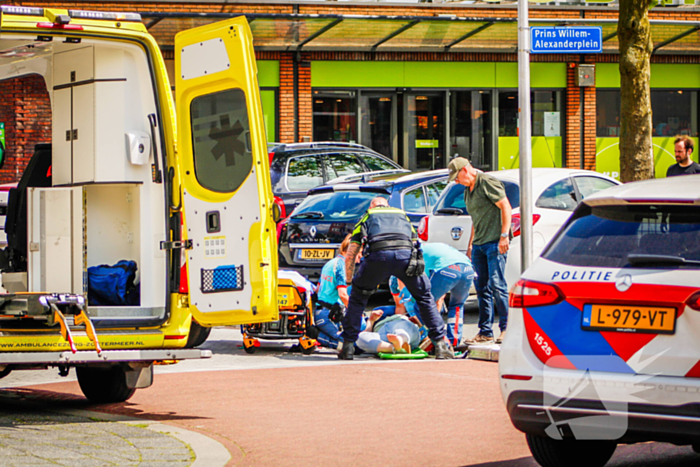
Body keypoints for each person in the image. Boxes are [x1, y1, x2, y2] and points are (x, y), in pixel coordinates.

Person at [338, 197, 454, 360]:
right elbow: (415, 243)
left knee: (358, 299)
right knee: (424, 297)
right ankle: (441, 345)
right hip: (406, 257)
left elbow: (351, 253)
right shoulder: (402, 215)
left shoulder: (367, 216)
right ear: (387, 206)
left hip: (378, 257)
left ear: (372, 206)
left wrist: (350, 281)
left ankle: (348, 347)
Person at [448, 157, 511, 345]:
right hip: (479, 244)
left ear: (465, 170)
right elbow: (476, 219)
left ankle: (507, 328)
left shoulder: (487, 182)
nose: (456, 182)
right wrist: (470, 244)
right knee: (481, 287)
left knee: (497, 284)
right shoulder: (468, 190)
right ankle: (485, 332)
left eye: (457, 177)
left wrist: (504, 235)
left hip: (494, 242)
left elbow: (505, 206)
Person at [313, 234, 365, 351]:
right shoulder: (342, 267)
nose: (360, 257)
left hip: (321, 312)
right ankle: (317, 336)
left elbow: (318, 289)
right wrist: (355, 312)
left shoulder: (330, 263)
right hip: (329, 315)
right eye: (360, 253)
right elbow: (343, 294)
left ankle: (320, 334)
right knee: (354, 345)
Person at [356, 309, 422, 356]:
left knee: (400, 327)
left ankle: (400, 341)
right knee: (359, 337)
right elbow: (367, 333)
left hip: (404, 326)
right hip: (383, 337)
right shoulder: (370, 324)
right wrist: (371, 321)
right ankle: (396, 348)